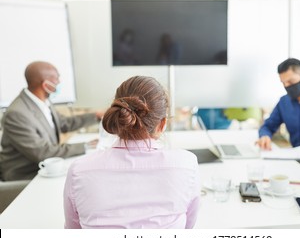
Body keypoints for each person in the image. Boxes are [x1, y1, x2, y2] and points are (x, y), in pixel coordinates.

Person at [63, 76, 200, 229]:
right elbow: (188, 228)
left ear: (118, 117)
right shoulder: (186, 164)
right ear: (162, 124)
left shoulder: (79, 170)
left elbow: (73, 231)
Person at [0, 61, 103, 181]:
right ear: (45, 85)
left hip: (45, 168)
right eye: (57, 78)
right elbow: (42, 152)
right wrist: (85, 146)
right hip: (25, 175)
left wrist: (96, 116)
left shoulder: (42, 101)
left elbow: (63, 123)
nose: (59, 82)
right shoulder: (17, 114)